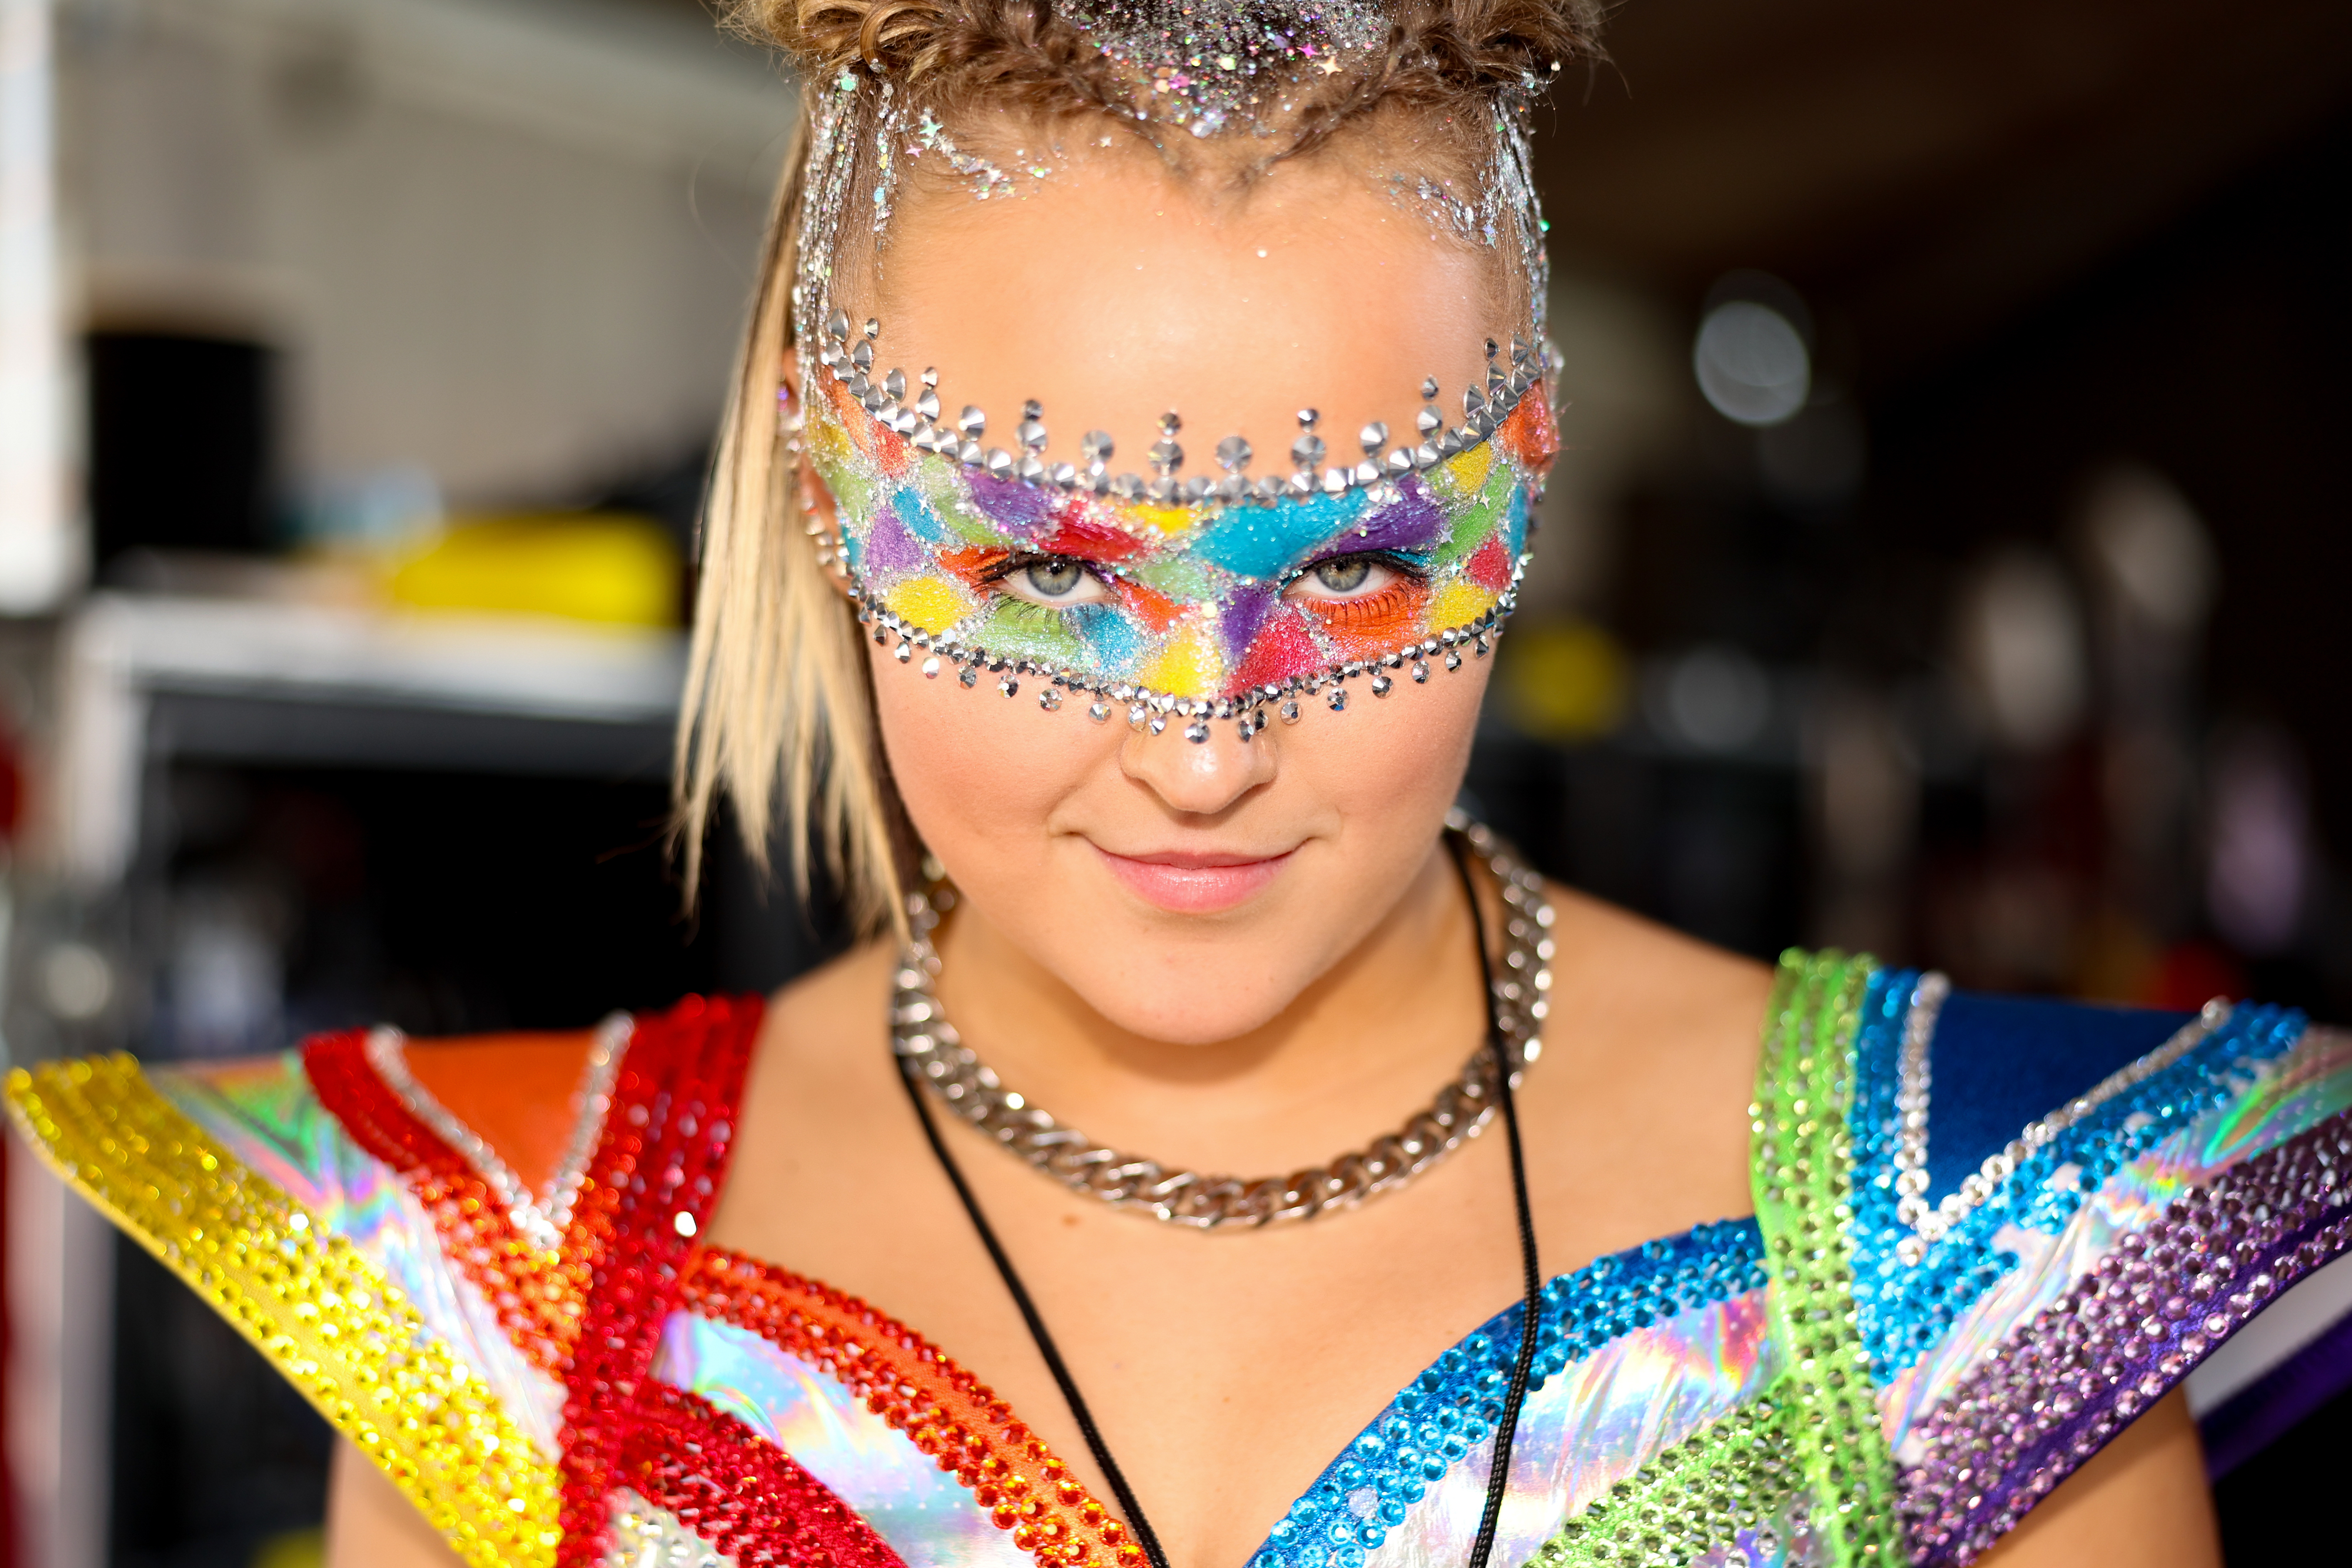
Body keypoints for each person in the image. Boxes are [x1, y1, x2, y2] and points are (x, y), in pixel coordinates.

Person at [12, 1, 2351, 1566]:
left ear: (1519, 486)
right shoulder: (513, 1288)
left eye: (1347, 558)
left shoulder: (1978, 1253)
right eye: (1036, 559)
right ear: (827, 483)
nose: (1207, 744)